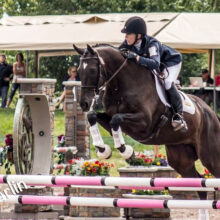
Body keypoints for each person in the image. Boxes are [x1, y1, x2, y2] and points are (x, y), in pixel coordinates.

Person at [119, 16, 187, 131]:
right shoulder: (127, 43)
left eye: (128, 33)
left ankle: (178, 115)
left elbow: (155, 63)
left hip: (171, 63)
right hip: (157, 64)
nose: (125, 36)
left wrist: (137, 58)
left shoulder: (152, 44)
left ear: (139, 35)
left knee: (167, 83)